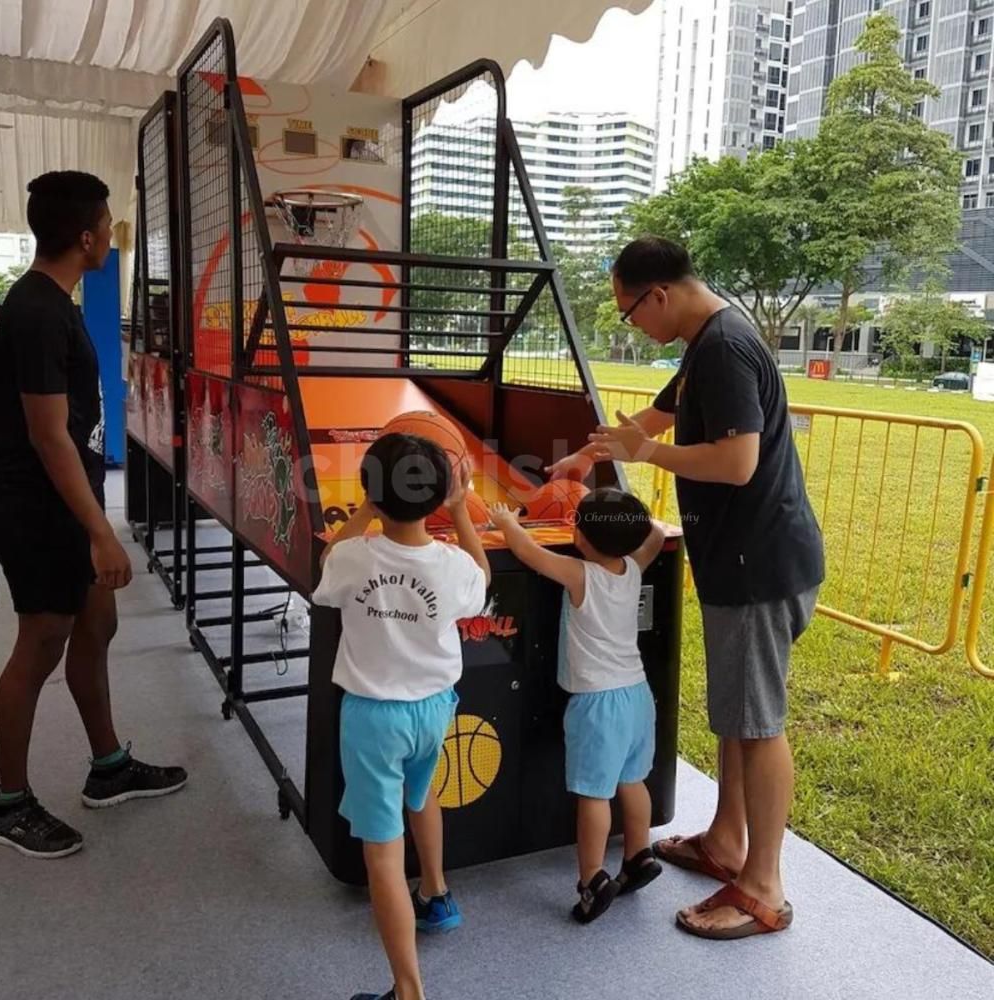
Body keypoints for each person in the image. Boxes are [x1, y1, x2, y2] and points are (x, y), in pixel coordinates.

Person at [550, 236, 824, 940]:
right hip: (740, 561)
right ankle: (727, 841)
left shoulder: (726, 347)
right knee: (738, 712)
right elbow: (654, 415)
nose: (631, 324)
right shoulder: (706, 342)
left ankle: (763, 886)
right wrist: (587, 457)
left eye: (629, 311)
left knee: (758, 725)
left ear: (659, 294)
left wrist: (646, 455)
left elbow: (737, 462)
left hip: (758, 564)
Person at [0, 171, 187, 860]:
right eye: (108, 225)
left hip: (61, 493)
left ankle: (108, 766)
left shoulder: (55, 300)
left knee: (97, 621)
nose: (112, 235)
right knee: (40, 644)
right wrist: (101, 529)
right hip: (35, 503)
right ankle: (8, 801)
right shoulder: (38, 311)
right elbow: (47, 435)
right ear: (85, 236)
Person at [312, 433, 491, 1000]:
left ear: (370, 491)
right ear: (438, 497)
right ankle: (436, 893)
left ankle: (408, 991)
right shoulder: (452, 564)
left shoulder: (352, 556)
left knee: (383, 855)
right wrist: (461, 512)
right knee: (422, 792)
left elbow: (324, 563)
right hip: (435, 712)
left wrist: (364, 507)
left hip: (373, 720)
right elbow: (483, 579)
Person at [490, 489, 666, 924]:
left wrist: (507, 523)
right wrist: (643, 528)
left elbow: (528, 553)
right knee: (633, 781)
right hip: (638, 696)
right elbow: (657, 534)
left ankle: (592, 879)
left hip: (597, 703)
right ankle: (638, 855)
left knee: (594, 794)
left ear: (581, 537)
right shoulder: (631, 568)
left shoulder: (579, 574)